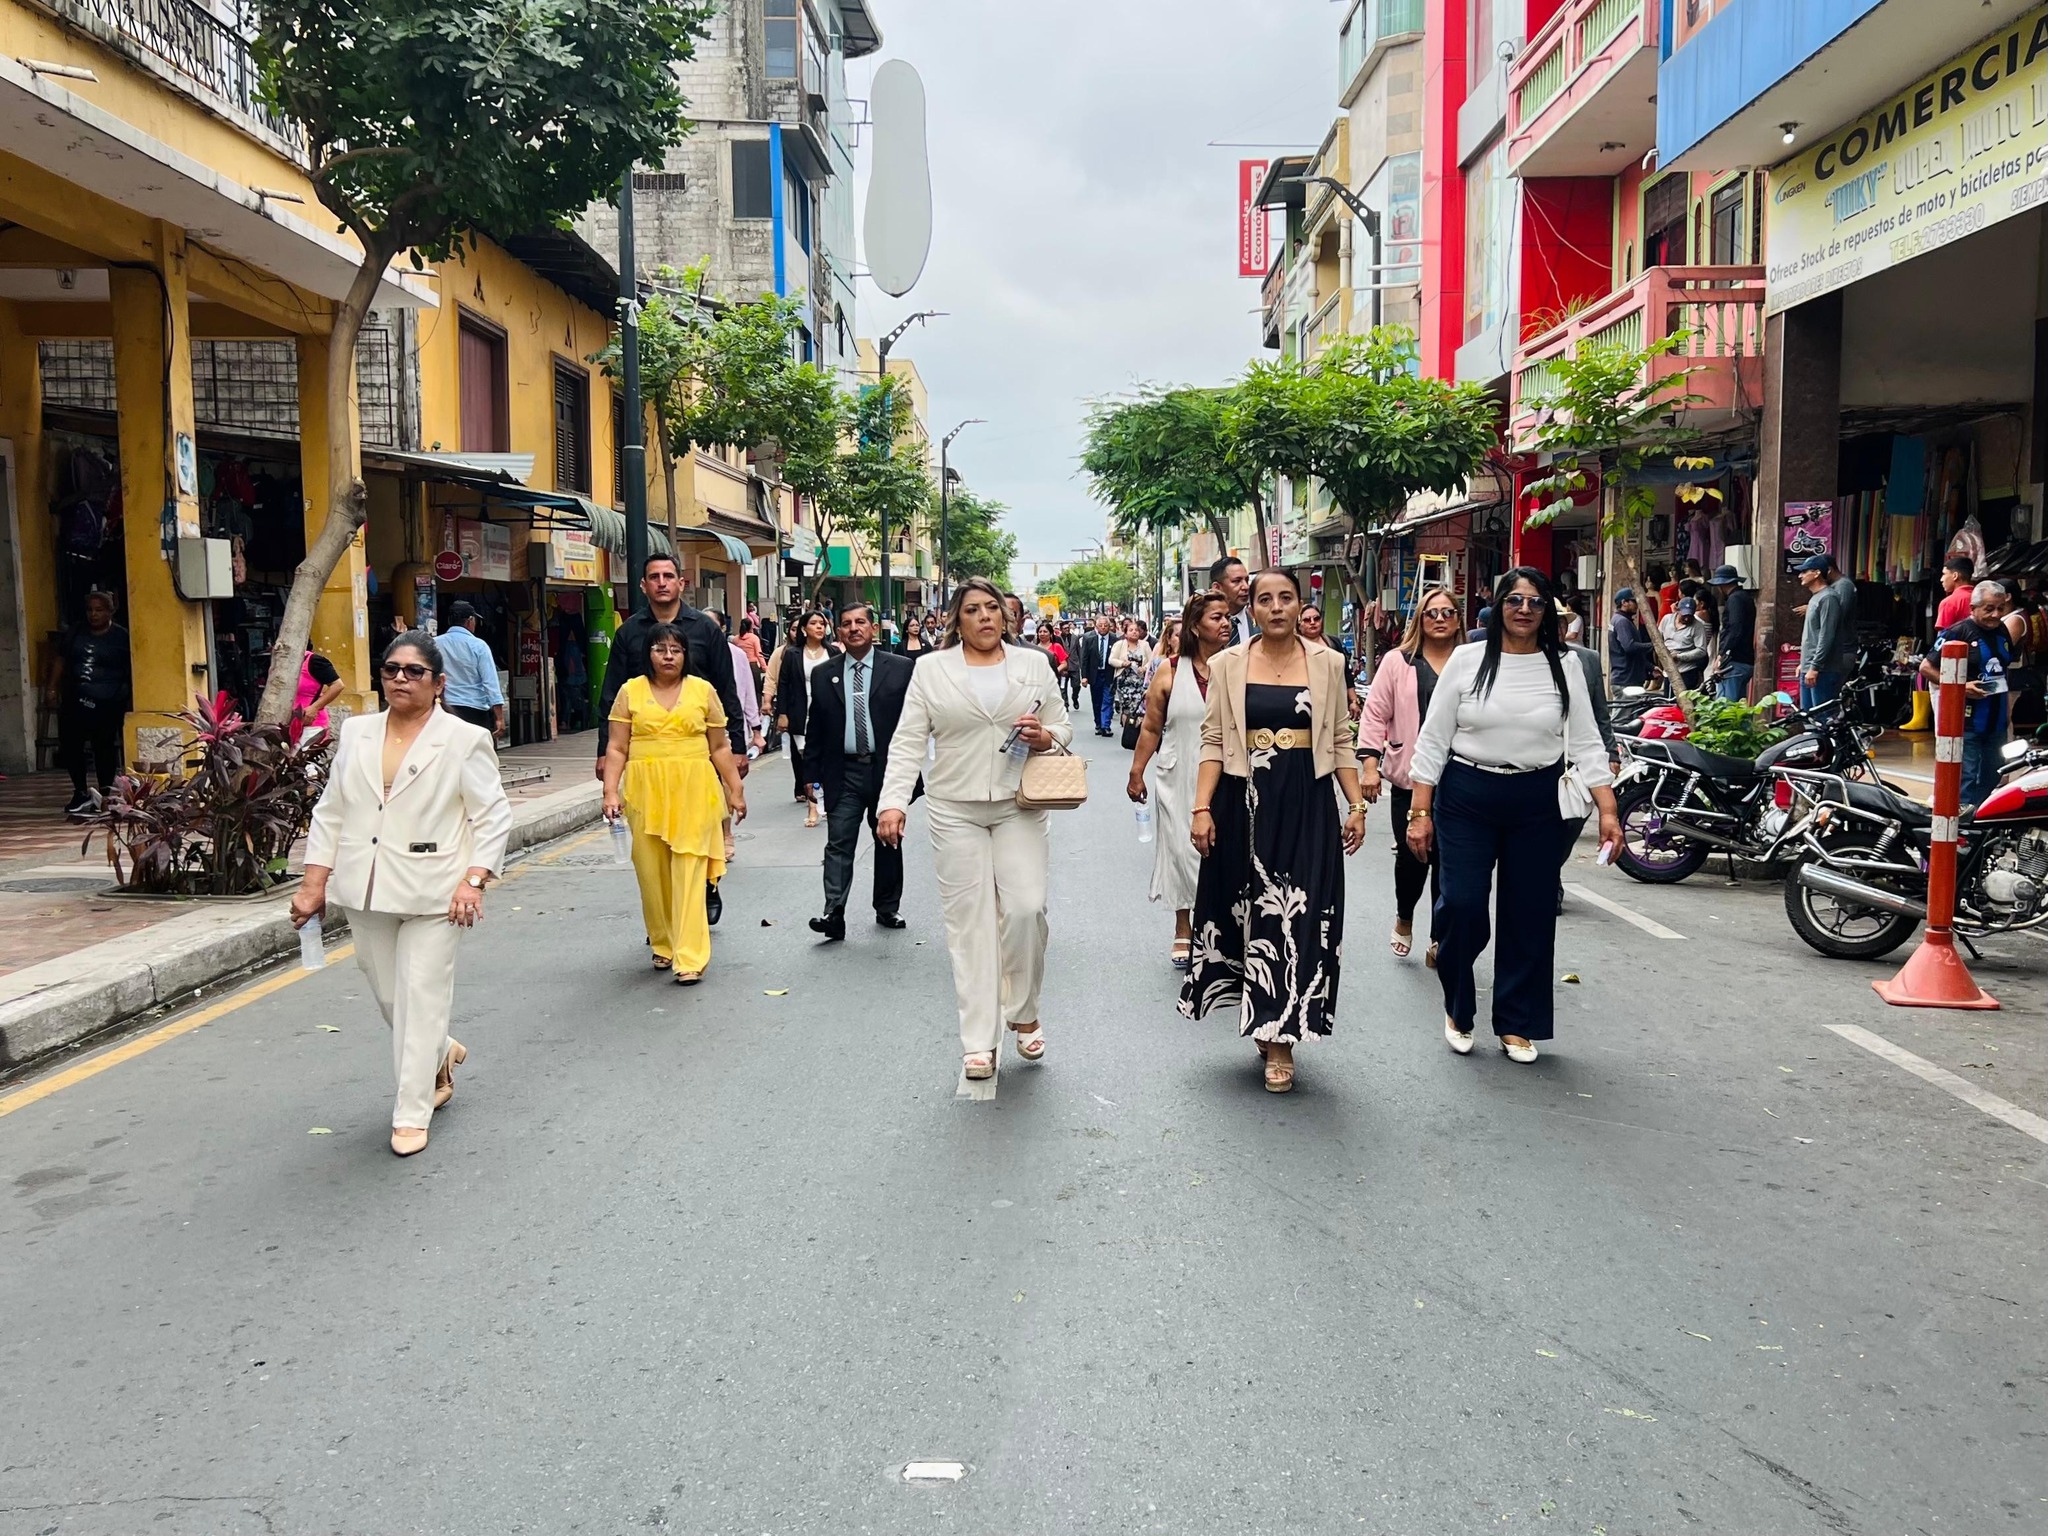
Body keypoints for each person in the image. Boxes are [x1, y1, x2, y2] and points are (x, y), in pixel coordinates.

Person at [293, 631, 513, 1156]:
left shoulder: (464, 738)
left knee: (420, 996)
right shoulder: (357, 732)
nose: (400, 679)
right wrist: (313, 882)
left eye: (414, 671)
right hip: (366, 887)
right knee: (392, 998)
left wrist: (474, 879)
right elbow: (331, 811)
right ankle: (441, 1049)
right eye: (391, 669)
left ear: (438, 683)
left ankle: (412, 1112)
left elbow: (492, 816)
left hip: (437, 891)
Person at [1408, 569, 1621, 1065]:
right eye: (1515, 600)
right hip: (1467, 794)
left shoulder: (1565, 666)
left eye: (1536, 602)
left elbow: (1586, 742)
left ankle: (1516, 1022)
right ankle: (1459, 1009)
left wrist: (1608, 810)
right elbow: (1433, 741)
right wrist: (1420, 812)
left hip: (1537, 798)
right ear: (1498, 605)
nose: (1525, 610)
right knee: (1462, 905)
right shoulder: (1467, 660)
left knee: (1530, 911)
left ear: (1548, 611)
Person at [877, 578, 1074, 1081]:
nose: (985, 616)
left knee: (1026, 909)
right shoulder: (931, 669)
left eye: (992, 607)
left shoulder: (1033, 664)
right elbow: (908, 741)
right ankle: (979, 1039)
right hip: (953, 807)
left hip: (1019, 803)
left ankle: (1024, 1010)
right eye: (972, 610)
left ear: (1005, 617)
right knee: (970, 924)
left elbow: (1063, 727)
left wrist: (1044, 736)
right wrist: (893, 803)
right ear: (956, 620)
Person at [1182, 569, 1368, 1094]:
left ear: (1301, 604)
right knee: (1251, 912)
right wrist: (1201, 808)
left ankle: (1280, 1034)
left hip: (1307, 799)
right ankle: (1268, 1015)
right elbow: (1213, 739)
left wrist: (1356, 804)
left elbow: (1340, 738)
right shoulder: (1227, 664)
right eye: (1265, 599)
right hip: (1244, 799)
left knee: (1300, 912)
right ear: (1252, 610)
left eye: (1286, 597)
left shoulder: (1328, 663)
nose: (1277, 607)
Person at [601, 622, 747, 984]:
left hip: (694, 789)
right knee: (651, 873)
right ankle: (664, 942)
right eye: (660, 649)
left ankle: (690, 956)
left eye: (676, 650)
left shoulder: (702, 691)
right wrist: (610, 792)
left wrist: (735, 789)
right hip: (644, 791)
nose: (668, 656)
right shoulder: (630, 691)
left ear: (686, 655)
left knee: (689, 870)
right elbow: (617, 747)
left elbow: (719, 747)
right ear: (647, 654)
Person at [1128, 590, 1231, 970]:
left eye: (1227, 617)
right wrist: (1136, 771)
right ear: (1195, 627)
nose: (1225, 623)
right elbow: (1151, 727)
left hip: (1229, 773)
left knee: (1223, 849)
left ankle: (1221, 928)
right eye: (1216, 617)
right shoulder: (1169, 670)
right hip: (1177, 773)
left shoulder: (1238, 666)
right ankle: (1183, 926)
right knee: (1182, 849)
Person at [1359, 585, 1461, 964]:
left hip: (1461, 781)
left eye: (1447, 612)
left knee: (1449, 862)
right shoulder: (1397, 662)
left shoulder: (1471, 661)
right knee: (1412, 858)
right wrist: (1370, 766)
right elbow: (1374, 715)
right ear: (1420, 619)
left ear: (1458, 620)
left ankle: (1440, 936)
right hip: (1409, 777)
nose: (1440, 619)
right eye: (1432, 613)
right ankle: (1405, 915)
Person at [804, 604, 916, 939]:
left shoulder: (901, 669)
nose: (853, 628)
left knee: (888, 839)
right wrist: (809, 774)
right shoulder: (823, 674)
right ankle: (833, 912)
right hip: (844, 772)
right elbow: (815, 727)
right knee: (838, 841)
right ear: (838, 631)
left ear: (873, 629)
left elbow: (916, 722)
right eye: (846, 624)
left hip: (887, 770)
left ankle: (887, 906)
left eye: (860, 622)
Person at [1921, 580, 2016, 806]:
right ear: (1973, 608)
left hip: (1997, 720)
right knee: (1966, 776)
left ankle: (1976, 814)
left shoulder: (2002, 630)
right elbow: (1926, 668)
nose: (1995, 614)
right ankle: (1963, 820)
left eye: (2000, 608)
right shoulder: (1957, 632)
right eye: (1989, 609)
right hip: (1967, 720)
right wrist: (1960, 687)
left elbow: (2002, 670)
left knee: (1995, 773)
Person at [46, 590, 129, 818]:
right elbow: (61, 659)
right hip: (75, 698)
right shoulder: (75, 632)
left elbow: (129, 669)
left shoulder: (121, 637)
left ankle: (105, 794)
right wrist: (52, 688)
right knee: (72, 745)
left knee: (104, 747)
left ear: (110, 611)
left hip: (107, 701)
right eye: (90, 610)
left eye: (99, 610)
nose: (93, 614)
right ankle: (80, 792)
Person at [764, 610, 839, 826]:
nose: (819, 627)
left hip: (828, 714)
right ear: (804, 629)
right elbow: (784, 685)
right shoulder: (793, 654)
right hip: (801, 714)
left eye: (822, 623)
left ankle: (828, 802)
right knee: (809, 761)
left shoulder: (833, 652)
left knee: (828, 760)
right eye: (814, 623)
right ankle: (813, 807)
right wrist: (783, 714)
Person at [1795, 553, 1857, 711]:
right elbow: (1812, 636)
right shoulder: (1816, 597)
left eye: (1805, 571)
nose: (1800, 575)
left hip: (1823, 669)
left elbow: (1827, 636)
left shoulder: (1829, 598)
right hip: (1810, 666)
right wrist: (1804, 663)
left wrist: (1815, 666)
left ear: (1817, 573)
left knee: (1823, 715)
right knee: (1808, 715)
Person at [438, 601, 505, 739]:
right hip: (475, 710)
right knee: (477, 750)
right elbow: (490, 682)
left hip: (445, 708)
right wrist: (499, 717)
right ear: (470, 620)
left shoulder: (434, 644)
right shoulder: (479, 646)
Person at [1707, 565, 1756, 701]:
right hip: (1745, 659)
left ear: (1722, 585)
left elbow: (1735, 629)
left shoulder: (1735, 599)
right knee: (1739, 705)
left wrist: (1722, 654)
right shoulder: (1745, 598)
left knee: (1726, 705)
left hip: (1734, 661)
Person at [1110, 618, 1153, 743]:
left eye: (1136, 630)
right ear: (1125, 633)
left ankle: (1139, 733)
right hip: (1125, 681)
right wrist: (1122, 663)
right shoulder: (1120, 645)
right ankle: (1128, 733)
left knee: (1140, 708)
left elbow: (1152, 660)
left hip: (1140, 682)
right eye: (1131, 630)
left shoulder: (1145, 645)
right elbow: (1111, 660)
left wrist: (1145, 668)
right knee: (1127, 708)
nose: (1134, 632)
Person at [1660, 597, 1713, 692]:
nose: (1687, 618)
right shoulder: (1667, 619)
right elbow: (1658, 639)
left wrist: (1679, 657)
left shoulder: (1697, 626)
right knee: (1668, 699)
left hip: (1687, 671)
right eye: (1684, 615)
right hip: (1668, 671)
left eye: (1690, 615)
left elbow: (1701, 650)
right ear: (1678, 610)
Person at [1607, 589, 1655, 691]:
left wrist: (1650, 667)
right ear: (1624, 602)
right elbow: (1629, 647)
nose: (1637, 605)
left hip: (1628, 679)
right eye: (1634, 601)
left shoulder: (1622, 620)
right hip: (1626, 681)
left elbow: (1635, 655)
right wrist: (1654, 645)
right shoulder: (1621, 621)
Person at [1083, 615, 1118, 736]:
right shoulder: (1088, 638)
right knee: (1097, 700)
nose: (1103, 627)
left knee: (1108, 699)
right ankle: (1098, 723)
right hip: (1095, 674)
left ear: (1109, 626)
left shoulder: (1115, 639)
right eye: (1100, 625)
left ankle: (1105, 726)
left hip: (1109, 673)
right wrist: (1084, 676)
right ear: (1096, 626)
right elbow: (1084, 659)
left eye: (1106, 625)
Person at [1211, 555, 1254, 644]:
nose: (1246, 587)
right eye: (1237, 581)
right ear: (1217, 588)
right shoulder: (1203, 627)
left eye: (1246, 580)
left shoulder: (1259, 623)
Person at [1936, 555, 1977, 632]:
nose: (1941, 579)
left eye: (1944, 574)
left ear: (1955, 576)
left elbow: (1943, 635)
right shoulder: (1981, 598)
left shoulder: (1949, 602)